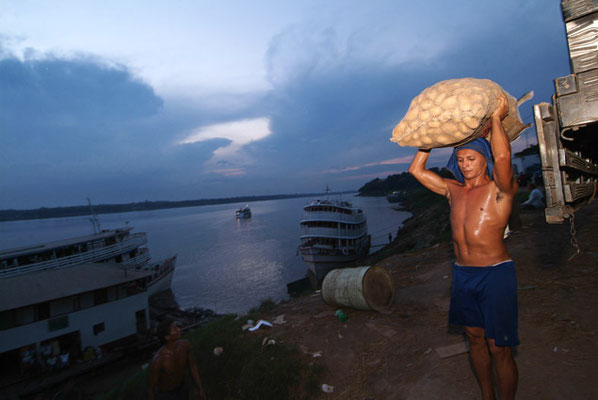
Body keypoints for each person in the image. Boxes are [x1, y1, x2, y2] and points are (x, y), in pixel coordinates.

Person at [408, 93, 519, 400]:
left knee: (500, 347)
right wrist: (428, 138)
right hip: (463, 275)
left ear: (486, 159)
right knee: (474, 338)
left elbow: (505, 159)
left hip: (496, 274)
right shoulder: (452, 190)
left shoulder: (501, 189)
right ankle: (487, 396)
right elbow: (416, 171)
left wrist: (496, 117)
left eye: (472, 159)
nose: (465, 165)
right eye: (460, 160)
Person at [148, 319, 206, 400]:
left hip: (182, 389)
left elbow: (193, 367)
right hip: (166, 396)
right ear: (167, 337)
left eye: (178, 327)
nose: (179, 330)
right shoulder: (158, 361)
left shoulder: (185, 345)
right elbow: (151, 388)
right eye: (174, 329)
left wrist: (200, 389)